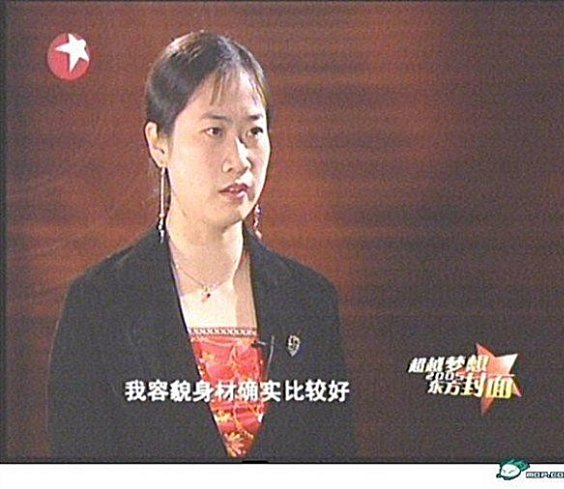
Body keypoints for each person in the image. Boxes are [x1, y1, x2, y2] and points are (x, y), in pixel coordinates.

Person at [47, 30, 356, 462]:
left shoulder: (310, 301)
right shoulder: (100, 304)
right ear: (159, 143)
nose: (239, 159)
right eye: (214, 131)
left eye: (254, 131)